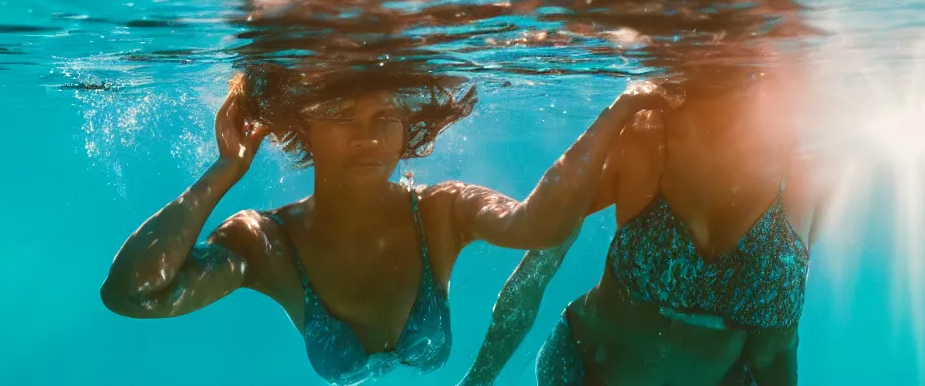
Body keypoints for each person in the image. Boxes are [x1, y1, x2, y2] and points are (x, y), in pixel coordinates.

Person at [99, 62, 672, 385]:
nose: (368, 136)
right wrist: (227, 169)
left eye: (385, 119)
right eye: (341, 118)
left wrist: (618, 111)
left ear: (406, 130)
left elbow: (537, 226)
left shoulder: (441, 211)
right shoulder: (264, 242)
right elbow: (130, 294)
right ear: (306, 130)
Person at [458, 45, 834, 385]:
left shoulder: (804, 174)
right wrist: (477, 381)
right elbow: (538, 266)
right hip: (583, 372)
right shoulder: (640, 138)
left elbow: (776, 349)